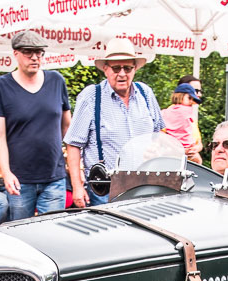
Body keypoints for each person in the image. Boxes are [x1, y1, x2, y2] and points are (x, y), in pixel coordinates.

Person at [65, 41, 162, 208]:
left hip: (143, 184)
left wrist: (156, 148)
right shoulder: (91, 96)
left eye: (127, 68)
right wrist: (77, 186)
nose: (122, 74)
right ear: (106, 69)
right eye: (116, 68)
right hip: (106, 188)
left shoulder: (145, 93)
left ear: (135, 69)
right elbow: (73, 144)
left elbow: (158, 133)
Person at [0, 30, 71, 221]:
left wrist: (72, 164)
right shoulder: (0, 86)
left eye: (39, 52)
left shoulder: (56, 81)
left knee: (52, 232)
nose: (35, 57)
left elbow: (68, 127)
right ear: (15, 53)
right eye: (28, 52)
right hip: (20, 178)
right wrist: (6, 173)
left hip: (54, 176)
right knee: (21, 233)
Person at [162, 84, 203, 164]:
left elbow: (199, 143)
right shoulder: (166, 114)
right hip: (172, 155)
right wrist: (180, 150)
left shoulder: (191, 118)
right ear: (180, 96)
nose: (191, 102)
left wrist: (195, 148)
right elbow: (160, 138)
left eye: (193, 100)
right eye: (189, 98)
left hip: (188, 152)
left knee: (197, 161)